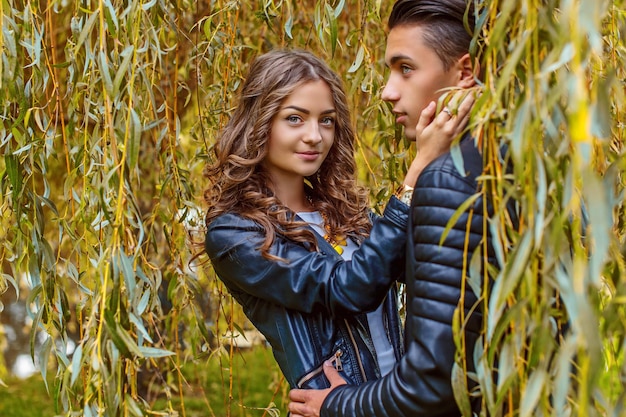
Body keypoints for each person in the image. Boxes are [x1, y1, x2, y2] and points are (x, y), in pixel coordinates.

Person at [203, 49, 471, 391]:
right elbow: (347, 288)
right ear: (260, 123)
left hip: (395, 400)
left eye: (326, 120)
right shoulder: (236, 233)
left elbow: (422, 267)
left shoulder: (343, 211)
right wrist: (416, 175)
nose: (315, 136)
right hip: (338, 406)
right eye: (295, 118)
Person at [288, 0, 490, 415]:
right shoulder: (513, 161)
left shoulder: (446, 180)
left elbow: (431, 383)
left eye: (406, 68)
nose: (387, 91)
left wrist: (337, 405)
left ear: (465, 72)